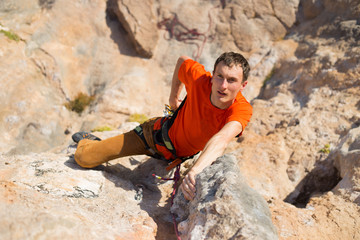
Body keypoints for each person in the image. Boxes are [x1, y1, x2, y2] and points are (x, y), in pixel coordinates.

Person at [72, 52, 252, 201]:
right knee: (84, 158)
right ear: (213, 75)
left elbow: (222, 138)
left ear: (243, 85)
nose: (223, 85)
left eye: (231, 80)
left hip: (177, 157)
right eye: (219, 76)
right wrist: (173, 98)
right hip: (151, 137)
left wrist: (195, 170)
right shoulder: (200, 80)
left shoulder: (241, 109)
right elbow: (182, 60)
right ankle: (89, 142)